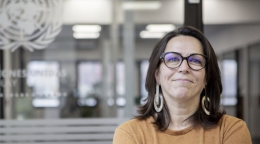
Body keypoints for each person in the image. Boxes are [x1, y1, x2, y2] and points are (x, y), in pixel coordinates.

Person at [113, 26, 252, 144]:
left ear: (207, 78)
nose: (184, 68)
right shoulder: (130, 134)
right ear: (157, 75)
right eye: (173, 59)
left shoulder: (231, 130)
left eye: (196, 61)